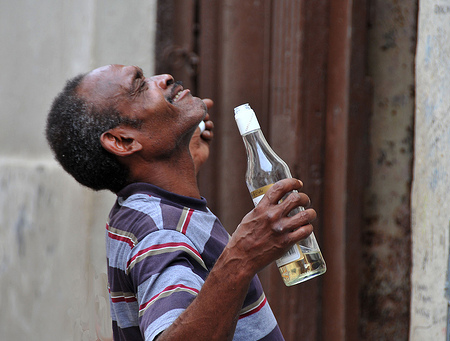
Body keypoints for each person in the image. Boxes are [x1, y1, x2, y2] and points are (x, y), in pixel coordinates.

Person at [45, 64, 317, 341]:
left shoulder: (137, 209)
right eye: (140, 86)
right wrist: (242, 257)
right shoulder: (161, 233)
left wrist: (183, 163)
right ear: (123, 141)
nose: (164, 79)